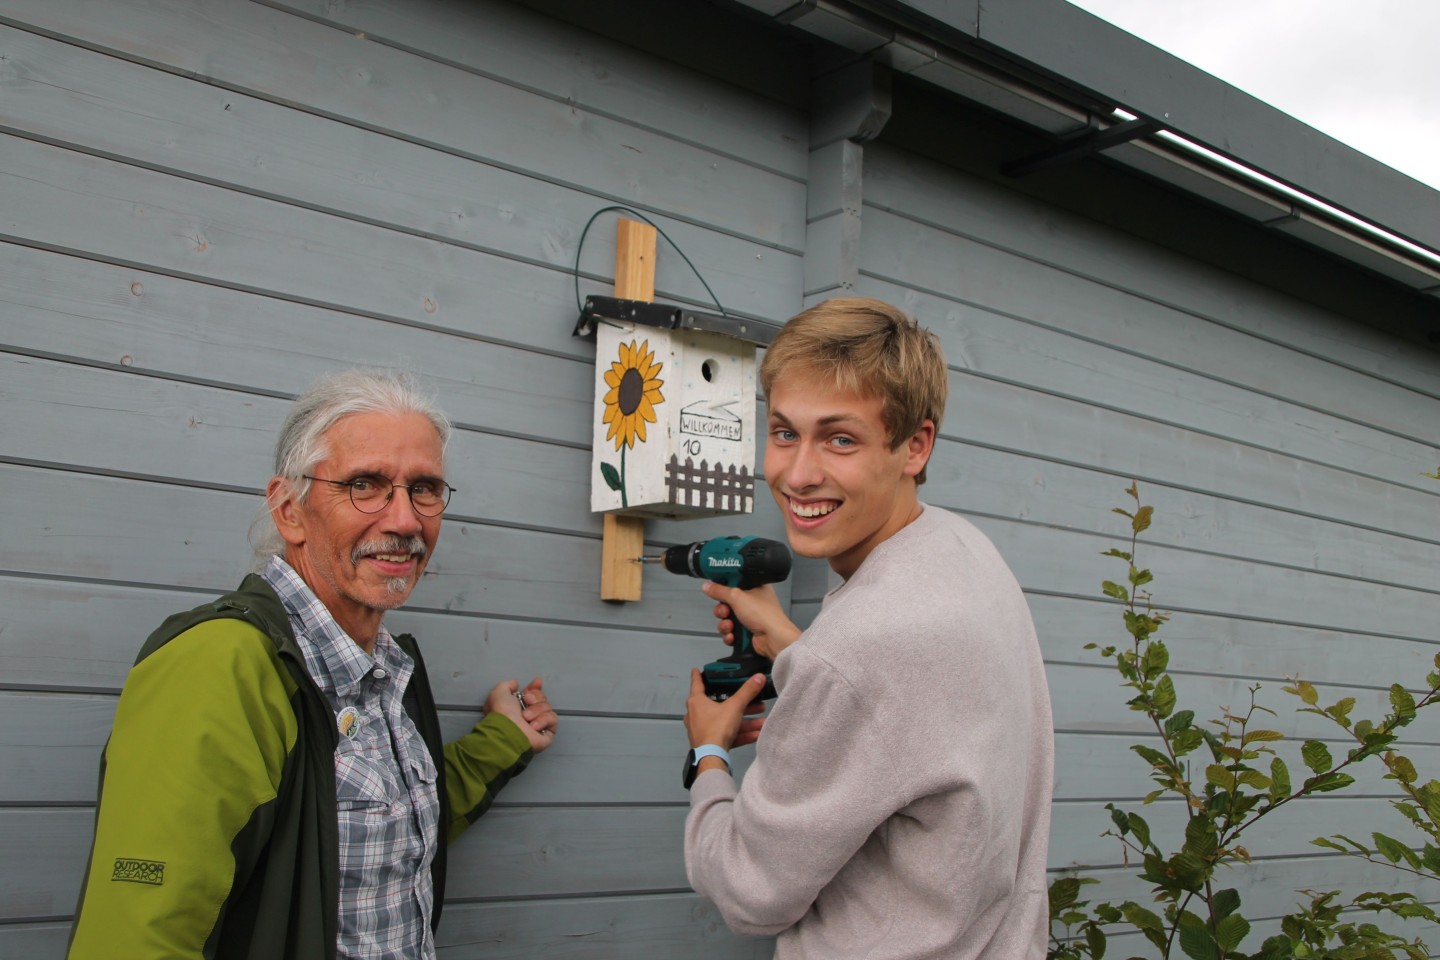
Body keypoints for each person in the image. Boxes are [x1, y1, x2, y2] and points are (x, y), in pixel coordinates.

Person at [68, 370, 558, 960]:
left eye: (423, 488)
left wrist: (502, 741)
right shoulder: (220, 666)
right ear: (289, 510)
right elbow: (139, 934)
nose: (404, 520)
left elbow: (375, 835)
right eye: (365, 484)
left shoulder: (384, 669)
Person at [682, 298, 1054, 959]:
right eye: (785, 432)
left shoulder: (859, 648)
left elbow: (750, 892)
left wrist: (708, 757)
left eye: (840, 438)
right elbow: (911, 717)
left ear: (916, 445)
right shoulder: (965, 552)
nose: (797, 474)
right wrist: (792, 646)